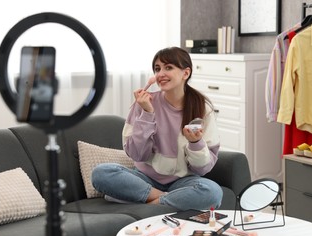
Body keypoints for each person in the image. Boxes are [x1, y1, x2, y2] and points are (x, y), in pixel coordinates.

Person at [91, 46, 222, 210]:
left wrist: (195, 143)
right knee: (101, 173)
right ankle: (163, 199)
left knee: (212, 192)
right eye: (157, 69)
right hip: (144, 179)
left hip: (183, 181)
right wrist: (147, 113)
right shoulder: (144, 103)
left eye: (168, 68)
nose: (160, 74)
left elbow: (203, 168)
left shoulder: (203, 108)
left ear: (185, 73)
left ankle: (146, 203)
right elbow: (137, 154)